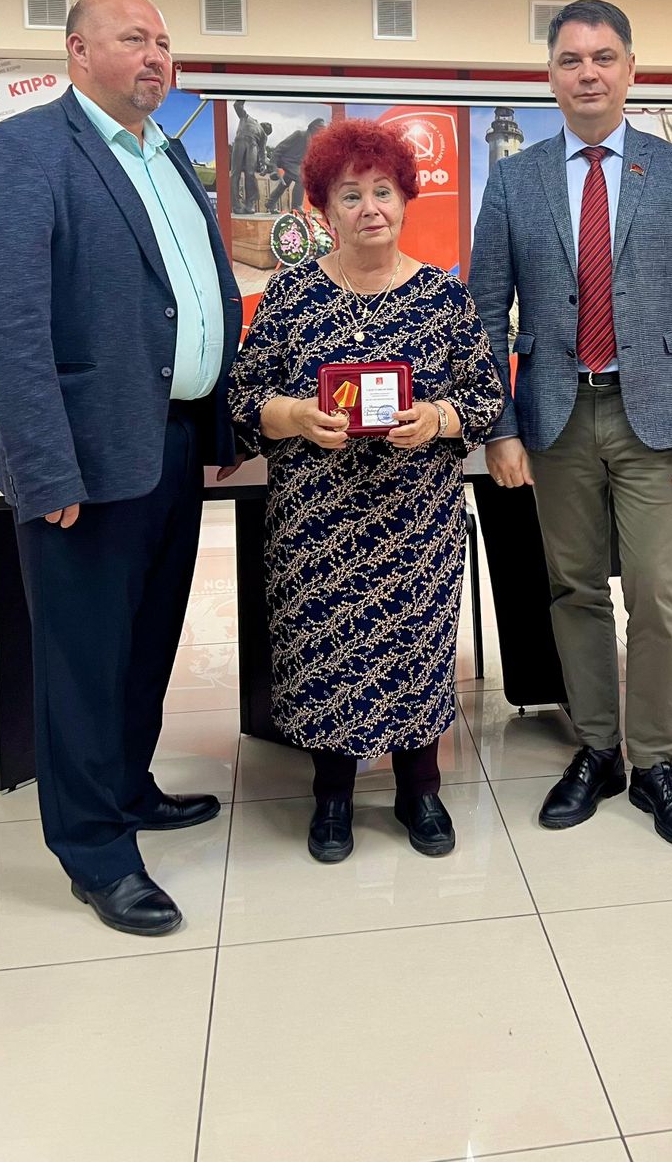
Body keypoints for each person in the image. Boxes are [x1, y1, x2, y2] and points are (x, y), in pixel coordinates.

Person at [0, 0, 244, 935]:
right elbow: (5, 324)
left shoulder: (167, 155)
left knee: (147, 640)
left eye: (163, 42)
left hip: (171, 441)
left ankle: (126, 786)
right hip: (80, 459)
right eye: (134, 39)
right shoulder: (23, 151)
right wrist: (44, 469)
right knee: (81, 660)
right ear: (78, 52)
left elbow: (188, 296)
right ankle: (94, 852)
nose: (157, 55)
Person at [468, 0, 672, 852]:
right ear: (550, 77)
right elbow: (484, 314)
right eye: (571, 60)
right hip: (555, 416)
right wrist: (499, 428)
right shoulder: (514, 181)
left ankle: (658, 762)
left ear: (630, 70)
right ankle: (597, 749)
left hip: (658, 418)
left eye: (603, 57)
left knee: (659, 592)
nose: (588, 73)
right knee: (574, 589)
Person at [228, 118, 503, 862]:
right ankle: (332, 797)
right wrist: (296, 416)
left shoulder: (445, 299)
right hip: (315, 523)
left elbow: (485, 397)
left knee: (417, 649)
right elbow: (245, 398)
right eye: (350, 195)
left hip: (417, 521)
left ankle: (420, 790)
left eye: (383, 191)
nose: (370, 207)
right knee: (324, 651)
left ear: (406, 199)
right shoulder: (290, 295)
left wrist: (438, 418)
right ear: (324, 208)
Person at [266, 116, 327, 213]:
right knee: (301, 179)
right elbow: (281, 146)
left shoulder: (314, 141)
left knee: (284, 184)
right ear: (313, 127)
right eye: (320, 128)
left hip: (297, 165)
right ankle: (296, 206)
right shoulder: (300, 134)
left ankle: (270, 203)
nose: (322, 131)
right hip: (287, 161)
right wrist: (273, 162)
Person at [230, 99, 269, 214]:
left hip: (251, 145)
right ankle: (238, 205)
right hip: (243, 142)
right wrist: (243, 96)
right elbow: (237, 106)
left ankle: (248, 204)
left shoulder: (263, 134)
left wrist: (263, 165)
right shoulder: (247, 117)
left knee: (247, 174)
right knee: (237, 173)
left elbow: (262, 152)